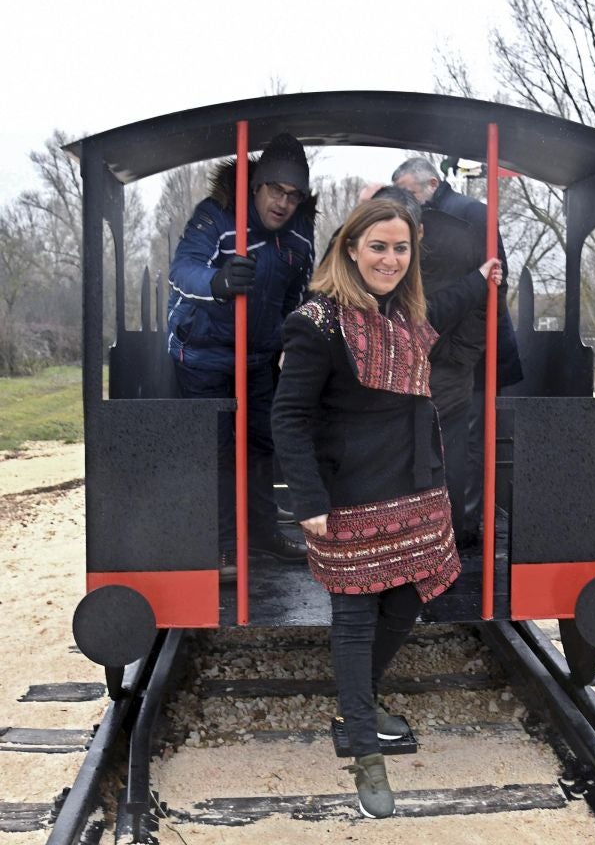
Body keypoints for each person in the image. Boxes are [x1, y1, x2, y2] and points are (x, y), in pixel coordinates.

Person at [271, 198, 501, 818]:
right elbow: (288, 417)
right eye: (378, 247)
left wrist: (482, 279)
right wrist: (307, 497)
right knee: (353, 618)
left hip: (417, 485)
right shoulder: (315, 323)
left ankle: (358, 703)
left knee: (407, 598)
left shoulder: (408, 315)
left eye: (401, 249)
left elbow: (448, 304)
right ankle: (366, 755)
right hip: (349, 492)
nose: (390, 259)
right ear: (350, 248)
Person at [167, 132, 313, 576]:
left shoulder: (298, 240)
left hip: (257, 360)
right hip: (204, 355)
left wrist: (292, 337)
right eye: (275, 190)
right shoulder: (217, 217)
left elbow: (295, 297)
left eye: (293, 195)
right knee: (220, 451)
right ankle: (225, 545)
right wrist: (218, 282)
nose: (282, 203)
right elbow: (182, 271)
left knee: (262, 444)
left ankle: (264, 532)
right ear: (256, 186)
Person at [392, 157, 522, 547]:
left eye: (408, 192)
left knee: (466, 443)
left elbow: (492, 287)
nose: (404, 201)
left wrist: (460, 353)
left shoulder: (472, 215)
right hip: (441, 351)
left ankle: (462, 527)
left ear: (431, 183)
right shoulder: (422, 221)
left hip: (471, 355)